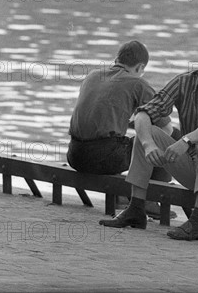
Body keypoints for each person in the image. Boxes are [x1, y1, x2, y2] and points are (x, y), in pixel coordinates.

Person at [99, 32, 198, 241]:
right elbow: (143, 113)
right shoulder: (184, 82)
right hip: (193, 166)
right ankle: (136, 209)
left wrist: (185, 141)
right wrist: (148, 144)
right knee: (148, 131)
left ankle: (197, 222)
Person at [67, 40, 175, 218]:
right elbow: (166, 129)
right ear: (140, 67)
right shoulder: (137, 84)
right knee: (169, 137)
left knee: (120, 138)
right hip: (104, 158)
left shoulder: (93, 75)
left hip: (75, 155)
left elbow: (102, 117)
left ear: (117, 59)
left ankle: (120, 196)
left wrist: (136, 124)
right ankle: (150, 200)